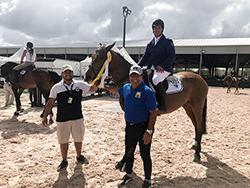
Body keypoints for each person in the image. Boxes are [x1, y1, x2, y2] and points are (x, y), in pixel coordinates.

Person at [105, 65, 157, 188]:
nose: (134, 78)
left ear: (141, 77)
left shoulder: (147, 92)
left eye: (137, 76)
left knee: (145, 155)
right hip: (130, 127)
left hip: (143, 128)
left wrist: (149, 131)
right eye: (132, 75)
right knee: (129, 153)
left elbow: (153, 112)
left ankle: (148, 180)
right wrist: (105, 87)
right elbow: (117, 91)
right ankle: (128, 175)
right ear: (129, 77)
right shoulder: (127, 88)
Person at [42, 64, 98, 172]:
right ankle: (64, 160)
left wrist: (97, 83)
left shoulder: (79, 84)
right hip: (62, 119)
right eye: (65, 72)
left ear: (72, 73)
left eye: (70, 72)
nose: (68, 74)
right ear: (62, 74)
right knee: (63, 140)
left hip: (77, 117)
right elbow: (50, 102)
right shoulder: (56, 87)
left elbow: (91, 88)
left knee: (78, 138)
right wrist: (45, 116)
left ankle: (79, 155)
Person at [138, 19, 176, 112]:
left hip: (164, 69)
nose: (157, 30)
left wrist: (162, 65)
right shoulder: (150, 44)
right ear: (153, 29)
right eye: (155, 28)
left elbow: (172, 56)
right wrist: (137, 67)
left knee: (155, 80)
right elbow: (145, 56)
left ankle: (162, 105)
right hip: (152, 68)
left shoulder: (167, 41)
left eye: (159, 28)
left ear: (162, 29)